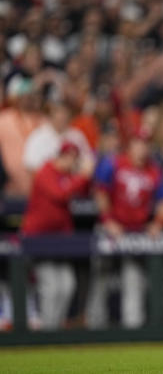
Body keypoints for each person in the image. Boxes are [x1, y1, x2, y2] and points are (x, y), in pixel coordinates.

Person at [85, 128, 163, 329]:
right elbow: (100, 192)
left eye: (145, 144)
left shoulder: (154, 170)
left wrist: (158, 223)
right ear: (130, 145)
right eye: (138, 143)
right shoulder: (114, 163)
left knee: (133, 279)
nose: (142, 148)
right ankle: (93, 326)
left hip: (136, 232)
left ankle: (133, 329)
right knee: (100, 276)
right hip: (110, 227)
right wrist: (108, 220)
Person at [21, 141, 94, 329]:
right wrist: (82, 176)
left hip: (59, 240)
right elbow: (59, 194)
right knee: (51, 287)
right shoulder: (45, 171)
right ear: (61, 156)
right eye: (69, 157)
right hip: (38, 239)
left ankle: (55, 330)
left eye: (74, 158)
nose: (72, 162)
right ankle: (47, 331)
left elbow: (85, 191)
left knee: (68, 285)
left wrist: (84, 177)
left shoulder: (68, 176)